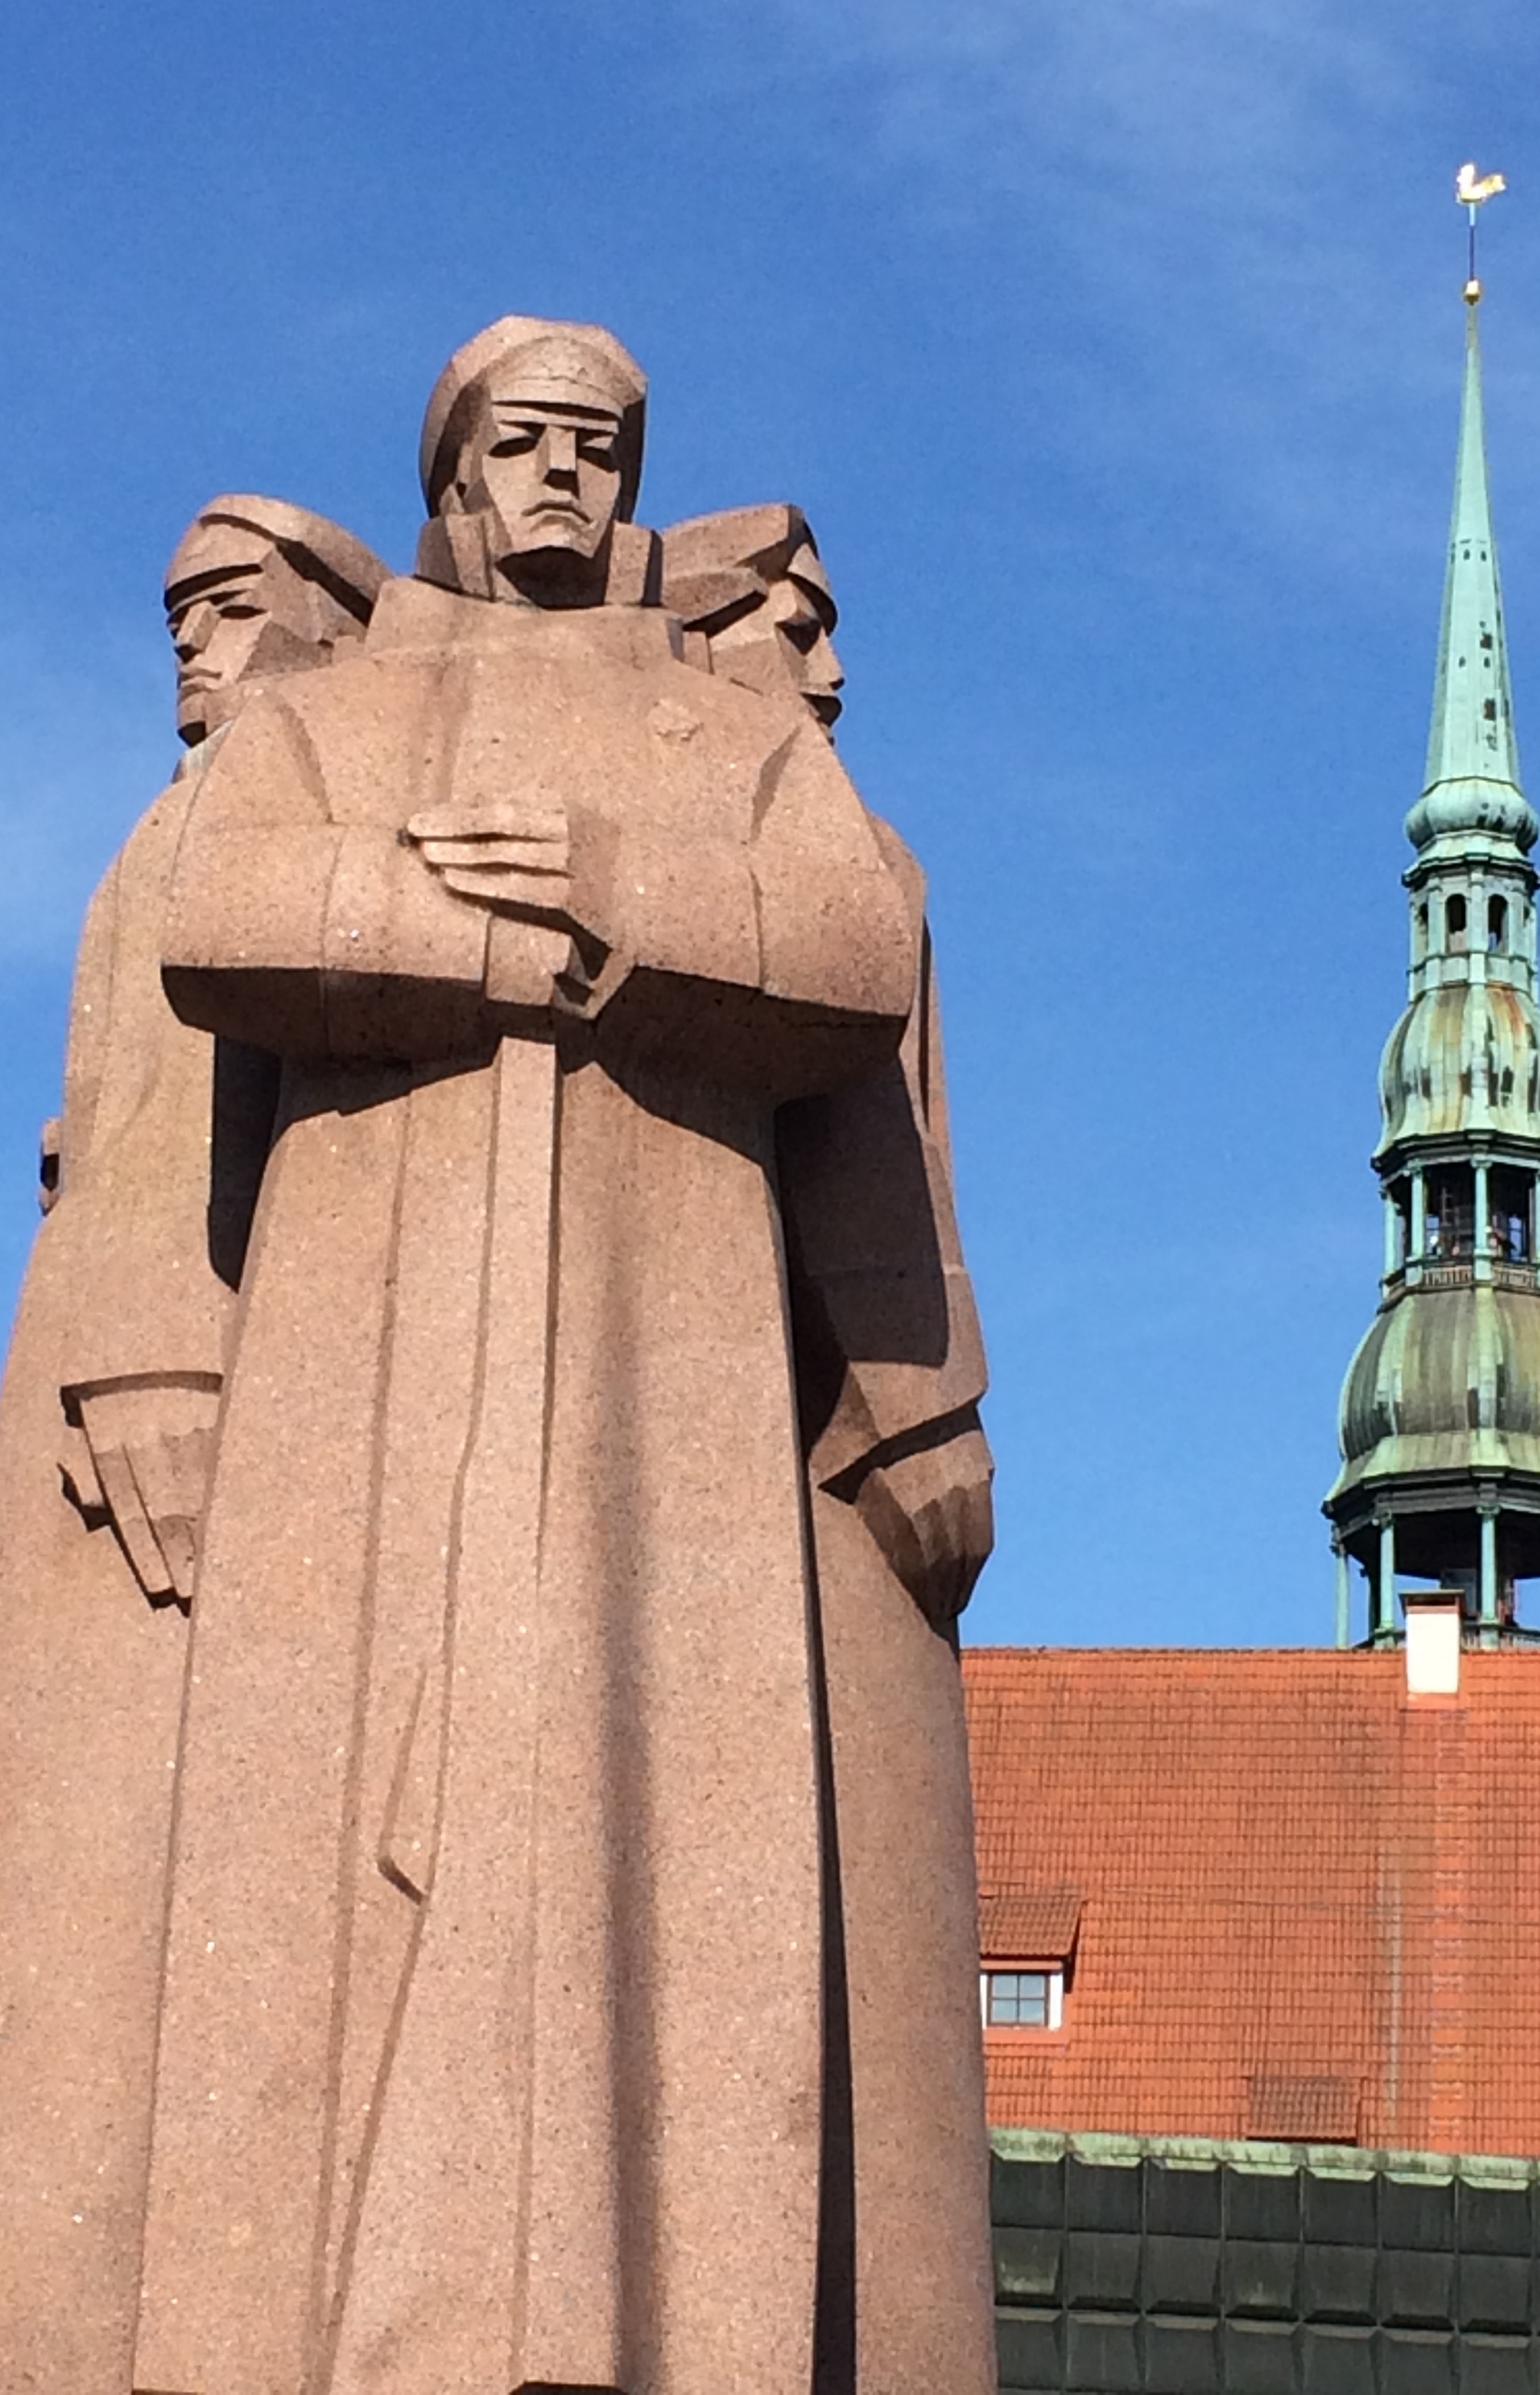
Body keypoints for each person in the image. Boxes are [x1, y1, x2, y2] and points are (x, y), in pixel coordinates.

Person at [132, 321, 990, 2395]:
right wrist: (497, 948)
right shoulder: (339, 714)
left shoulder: (732, 738)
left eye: (598, 450)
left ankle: (646, 2308)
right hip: (371, 1340)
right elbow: (216, 914)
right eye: (521, 444)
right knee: (349, 1840)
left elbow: (857, 952)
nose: (561, 482)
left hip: (659, 1366)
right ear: (455, 465)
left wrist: (623, 896)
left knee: (638, 1819)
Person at [0, 497, 386, 2395]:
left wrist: (147, 1365)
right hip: (128, 1386)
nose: (189, 647)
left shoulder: (267, 826)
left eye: (227, 609)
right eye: (178, 615)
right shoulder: (193, 820)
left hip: (177, 1379)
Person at [665, 505, 999, 2389]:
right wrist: (918, 1403)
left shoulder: (851, 861)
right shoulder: (752, 860)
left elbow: (899, 1176)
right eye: (796, 626)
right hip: (775, 1440)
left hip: (831, 1447)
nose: (836, 665)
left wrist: (920, 1395)